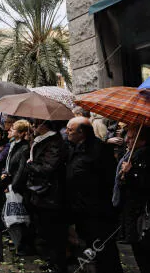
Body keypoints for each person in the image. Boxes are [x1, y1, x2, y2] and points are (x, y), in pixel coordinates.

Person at [65, 117, 123, 273]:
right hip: (80, 208)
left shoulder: (99, 150)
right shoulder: (74, 147)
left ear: (82, 132)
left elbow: (107, 180)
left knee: (103, 248)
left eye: (70, 130)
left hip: (97, 209)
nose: (67, 132)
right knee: (89, 246)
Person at [26, 119, 68, 273]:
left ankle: (57, 265)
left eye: (36, 124)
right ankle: (51, 261)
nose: (34, 127)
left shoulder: (54, 142)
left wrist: (30, 164)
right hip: (40, 193)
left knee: (54, 232)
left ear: (45, 126)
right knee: (45, 231)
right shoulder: (41, 141)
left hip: (50, 194)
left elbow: (48, 168)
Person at [116, 126, 150, 272]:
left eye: (131, 137)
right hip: (132, 210)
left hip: (141, 212)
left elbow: (144, 185)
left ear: (142, 140)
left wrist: (131, 173)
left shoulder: (145, 155)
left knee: (143, 251)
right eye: (127, 137)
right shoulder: (131, 154)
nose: (127, 140)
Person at [1, 119, 33, 256]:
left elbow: (21, 170)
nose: (9, 130)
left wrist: (12, 185)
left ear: (21, 133)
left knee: (19, 217)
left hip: (18, 188)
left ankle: (23, 246)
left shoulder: (24, 148)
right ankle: (18, 244)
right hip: (10, 183)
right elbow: (9, 165)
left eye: (13, 129)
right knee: (11, 216)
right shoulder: (13, 144)